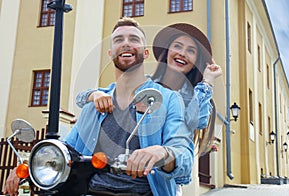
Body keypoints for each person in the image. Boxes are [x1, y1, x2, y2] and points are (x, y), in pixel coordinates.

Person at [4, 18, 194, 196]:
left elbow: (184, 157)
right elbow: (66, 151)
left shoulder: (169, 100)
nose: (126, 43)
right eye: (119, 39)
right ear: (110, 52)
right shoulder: (94, 105)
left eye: (134, 39)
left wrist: (163, 153)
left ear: (145, 52)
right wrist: (29, 166)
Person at [76, 23, 222, 195]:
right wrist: (93, 95)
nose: (182, 53)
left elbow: (194, 124)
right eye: (177, 46)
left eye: (191, 50)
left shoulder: (183, 97)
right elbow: (96, 95)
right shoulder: (140, 85)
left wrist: (207, 81)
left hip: (158, 180)